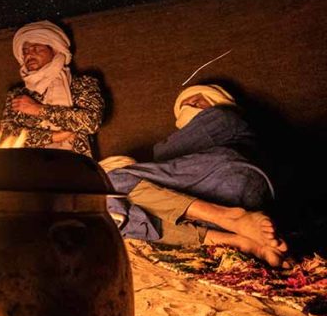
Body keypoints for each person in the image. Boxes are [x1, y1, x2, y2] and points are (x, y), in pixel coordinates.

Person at [104, 85, 288, 267]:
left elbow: (164, 153)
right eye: (185, 105)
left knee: (110, 183)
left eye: (196, 101)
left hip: (232, 173)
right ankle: (241, 242)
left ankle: (231, 217)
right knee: (115, 217)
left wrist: (136, 176)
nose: (189, 106)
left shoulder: (225, 117)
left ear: (218, 101)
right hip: (214, 214)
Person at [0, 20, 103, 157]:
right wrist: (55, 137)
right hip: (29, 167)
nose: (29, 55)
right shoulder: (17, 94)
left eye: (37, 49)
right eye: (25, 51)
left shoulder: (82, 85)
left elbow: (91, 122)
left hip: (76, 167)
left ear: (54, 50)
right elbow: (8, 134)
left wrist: (39, 110)